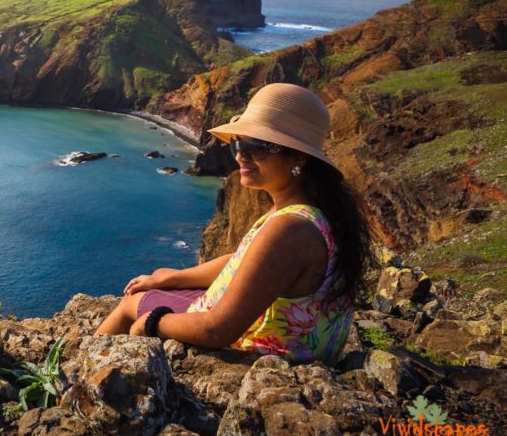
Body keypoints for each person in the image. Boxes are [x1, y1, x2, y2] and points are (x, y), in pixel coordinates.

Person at [94, 83, 375, 365]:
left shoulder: (289, 229)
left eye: (257, 146)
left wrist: (152, 323)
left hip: (266, 354)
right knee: (160, 284)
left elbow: (218, 329)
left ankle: (72, 376)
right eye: (238, 144)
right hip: (299, 347)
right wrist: (172, 277)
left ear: (298, 156)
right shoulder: (314, 212)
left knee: (132, 303)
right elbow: (248, 260)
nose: (241, 155)